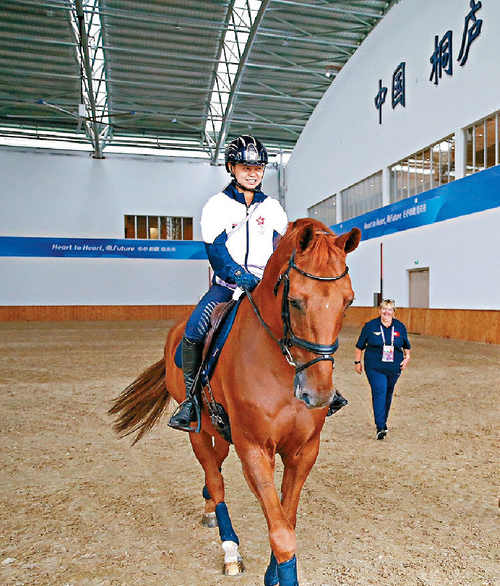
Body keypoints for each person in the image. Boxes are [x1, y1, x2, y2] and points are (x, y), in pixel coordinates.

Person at [168, 134, 347, 431]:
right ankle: (190, 402)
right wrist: (241, 278)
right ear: (231, 167)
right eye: (245, 167)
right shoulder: (216, 205)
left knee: (304, 321)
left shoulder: (273, 208)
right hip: (228, 287)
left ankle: (323, 386)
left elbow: (286, 247)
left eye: (258, 168)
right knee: (194, 330)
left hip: (268, 287)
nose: (252, 173)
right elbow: (217, 252)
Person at [354, 299, 411, 439]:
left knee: (388, 393)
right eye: (384, 309)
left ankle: (383, 422)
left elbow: (406, 346)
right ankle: (380, 426)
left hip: (394, 366)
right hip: (374, 365)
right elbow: (359, 346)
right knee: (379, 391)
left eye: (389, 309)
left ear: (394, 312)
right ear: (379, 310)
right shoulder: (370, 326)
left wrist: (407, 358)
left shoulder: (400, 327)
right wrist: (357, 362)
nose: (386, 312)